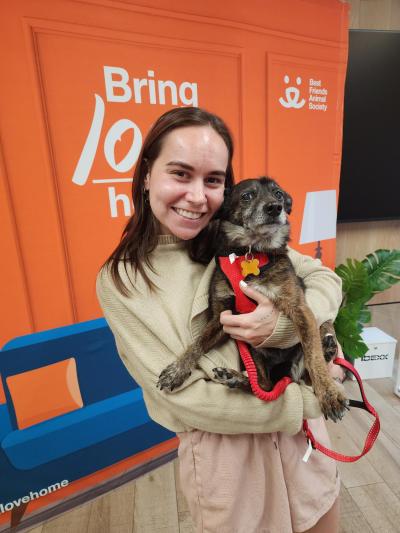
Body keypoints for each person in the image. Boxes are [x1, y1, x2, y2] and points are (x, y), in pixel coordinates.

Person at [96, 107, 345, 533]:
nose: (197, 197)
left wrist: (284, 327)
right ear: (146, 175)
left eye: (213, 180)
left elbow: (324, 279)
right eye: (180, 173)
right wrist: (304, 404)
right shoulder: (123, 280)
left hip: (303, 447)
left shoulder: (240, 240)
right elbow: (187, 402)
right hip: (231, 463)